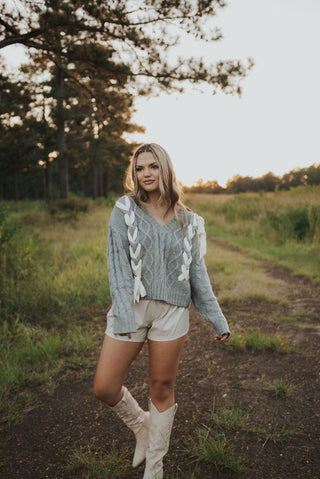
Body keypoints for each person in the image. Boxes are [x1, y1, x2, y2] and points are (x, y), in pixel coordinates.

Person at [93, 143, 230, 479]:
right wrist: (124, 315)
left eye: (153, 166)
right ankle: (142, 425)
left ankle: (155, 467)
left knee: (162, 386)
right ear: (134, 173)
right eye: (139, 168)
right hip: (133, 310)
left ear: (165, 169)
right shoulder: (124, 210)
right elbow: (119, 267)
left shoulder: (189, 221)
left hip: (172, 313)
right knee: (105, 387)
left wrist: (215, 316)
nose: (146, 174)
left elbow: (197, 273)